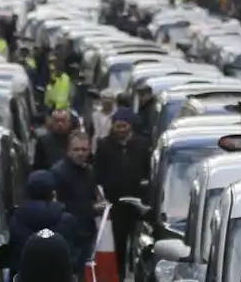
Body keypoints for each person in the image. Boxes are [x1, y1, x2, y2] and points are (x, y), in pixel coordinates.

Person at [93, 109, 149, 279]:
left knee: (138, 240)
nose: (120, 130)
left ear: (130, 127)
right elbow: (98, 173)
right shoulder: (104, 145)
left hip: (138, 202)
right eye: (117, 126)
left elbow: (147, 170)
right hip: (115, 203)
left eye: (124, 126)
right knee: (117, 241)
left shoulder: (142, 145)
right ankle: (120, 273)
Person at [8, 171, 81, 278]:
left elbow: (13, 256)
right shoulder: (67, 220)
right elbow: (75, 255)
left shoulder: (16, 220)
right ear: (53, 193)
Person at [51, 131, 100, 264]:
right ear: (68, 150)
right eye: (76, 149)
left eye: (84, 149)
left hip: (86, 233)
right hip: (67, 236)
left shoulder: (90, 172)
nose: (80, 153)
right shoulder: (58, 173)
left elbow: (90, 197)